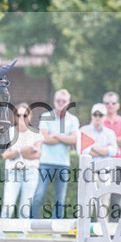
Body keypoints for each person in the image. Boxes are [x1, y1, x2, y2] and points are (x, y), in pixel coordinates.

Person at [0, 103, 42, 242]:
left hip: (30, 172)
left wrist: (16, 152)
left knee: (24, 209)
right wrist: (23, 151)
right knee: (7, 207)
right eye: (18, 115)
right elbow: (5, 155)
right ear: (14, 117)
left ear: (30, 117)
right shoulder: (9, 132)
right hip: (13, 172)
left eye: (24, 115)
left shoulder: (36, 133)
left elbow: (36, 154)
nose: (21, 118)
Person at [30, 89, 80, 219]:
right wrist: (65, 138)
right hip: (45, 163)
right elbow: (45, 139)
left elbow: (74, 140)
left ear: (68, 103)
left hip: (63, 164)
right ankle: (32, 225)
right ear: (54, 101)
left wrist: (56, 135)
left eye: (63, 101)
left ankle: (56, 228)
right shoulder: (46, 117)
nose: (60, 103)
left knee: (60, 199)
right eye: (58, 100)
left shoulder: (73, 120)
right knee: (38, 195)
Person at [101, 91, 121, 159]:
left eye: (113, 103)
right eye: (107, 102)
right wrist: (120, 139)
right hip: (101, 161)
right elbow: (93, 141)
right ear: (103, 104)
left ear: (118, 105)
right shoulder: (97, 120)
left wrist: (105, 140)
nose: (110, 105)